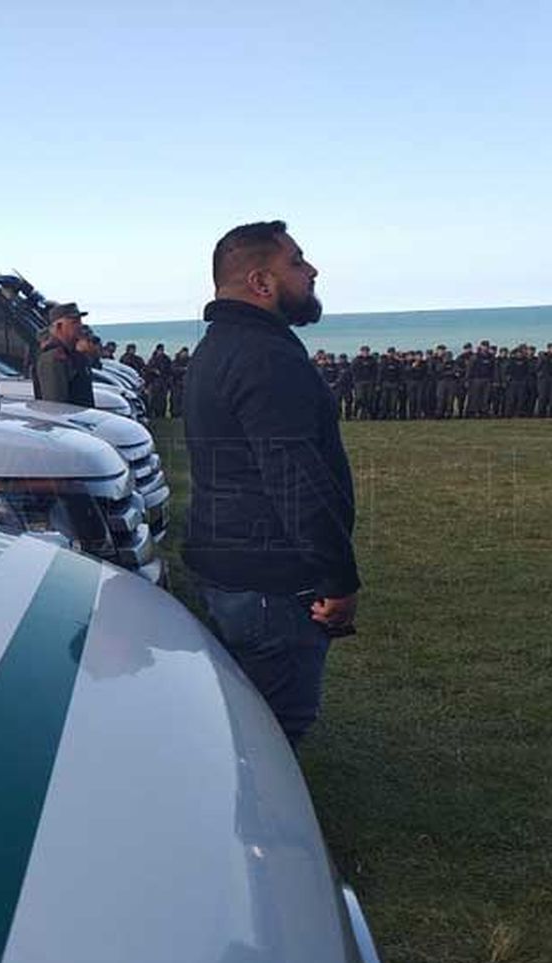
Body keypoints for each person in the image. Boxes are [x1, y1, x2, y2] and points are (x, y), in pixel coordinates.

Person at [183, 221, 359, 747]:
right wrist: (337, 580)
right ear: (261, 281)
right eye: (298, 261)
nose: (312, 270)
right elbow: (296, 479)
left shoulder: (220, 345)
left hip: (233, 568)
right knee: (272, 737)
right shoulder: (266, 356)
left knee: (242, 723)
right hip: (269, 584)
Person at [32, 302, 96, 406]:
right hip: (71, 420)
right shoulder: (53, 358)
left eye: (80, 321)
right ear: (59, 326)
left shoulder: (71, 352)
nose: (80, 326)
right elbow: (56, 406)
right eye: (74, 322)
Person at [145, 343, 172, 418]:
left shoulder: (166, 359)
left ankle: (161, 414)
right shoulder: (152, 359)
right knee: (153, 399)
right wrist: (153, 371)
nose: (161, 351)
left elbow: (169, 370)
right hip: (154, 382)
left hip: (163, 382)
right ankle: (153, 414)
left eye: (162, 350)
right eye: (160, 350)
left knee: (162, 399)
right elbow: (147, 370)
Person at [352, 345, 378, 419]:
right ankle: (355, 413)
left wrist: (374, 382)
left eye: (367, 351)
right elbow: (353, 371)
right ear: (361, 352)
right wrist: (356, 381)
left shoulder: (372, 360)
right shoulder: (356, 360)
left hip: (370, 382)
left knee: (369, 398)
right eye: (364, 351)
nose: (365, 353)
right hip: (359, 382)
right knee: (360, 398)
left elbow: (375, 372)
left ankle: (367, 414)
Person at [169, 345, 190, 417]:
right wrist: (183, 369)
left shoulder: (190, 361)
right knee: (175, 400)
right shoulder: (175, 361)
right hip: (176, 383)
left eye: (186, 353)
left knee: (184, 400)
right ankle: (175, 414)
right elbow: (173, 370)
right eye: (184, 353)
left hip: (186, 384)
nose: (185, 354)